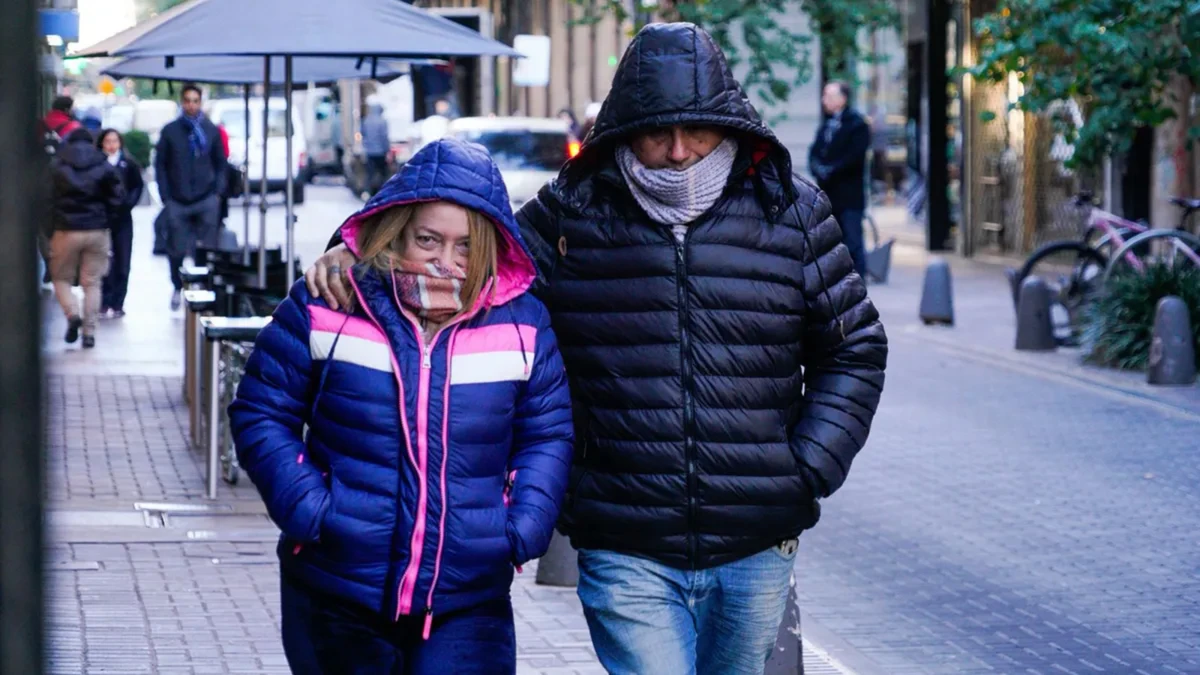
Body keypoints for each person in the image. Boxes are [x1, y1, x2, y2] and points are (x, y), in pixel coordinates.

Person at [306, 23, 887, 675]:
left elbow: (853, 348)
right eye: (656, 131)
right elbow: (451, 251)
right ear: (622, 127)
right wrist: (356, 245)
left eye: (695, 130)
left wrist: (806, 467)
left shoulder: (790, 210)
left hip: (755, 538)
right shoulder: (570, 217)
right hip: (621, 538)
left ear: (728, 124)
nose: (676, 152)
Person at [228, 136, 574, 674]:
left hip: (468, 598)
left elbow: (547, 434)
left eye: (465, 246)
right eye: (428, 240)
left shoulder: (523, 322)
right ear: (396, 231)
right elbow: (260, 410)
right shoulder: (329, 303)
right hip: (337, 589)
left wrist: (521, 526)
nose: (446, 262)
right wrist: (312, 510)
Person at [49, 128, 124, 348]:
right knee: (92, 283)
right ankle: (89, 332)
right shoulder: (103, 166)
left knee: (60, 278)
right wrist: (106, 220)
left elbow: (44, 199)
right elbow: (117, 198)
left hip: (65, 230)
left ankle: (73, 315)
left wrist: (49, 227)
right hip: (96, 230)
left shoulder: (57, 167)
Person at [155, 84, 227, 310]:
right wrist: (165, 195)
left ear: (201, 102)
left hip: (206, 198)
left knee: (207, 248)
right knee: (175, 247)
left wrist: (217, 193)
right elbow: (161, 165)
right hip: (177, 199)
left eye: (195, 100)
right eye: (187, 100)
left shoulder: (210, 129)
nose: (191, 105)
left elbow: (221, 163)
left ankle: (203, 286)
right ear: (182, 102)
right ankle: (178, 286)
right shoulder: (170, 131)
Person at [809, 80, 871, 277]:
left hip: (849, 196)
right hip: (829, 194)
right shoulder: (826, 124)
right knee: (829, 243)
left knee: (853, 242)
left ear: (842, 99)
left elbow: (854, 156)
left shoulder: (857, 124)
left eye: (828, 95)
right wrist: (818, 168)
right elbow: (815, 151)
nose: (823, 100)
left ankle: (858, 284)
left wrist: (831, 170)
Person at [96, 129, 145, 319]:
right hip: (102, 220)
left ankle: (118, 302)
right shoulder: (97, 164)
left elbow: (137, 186)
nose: (111, 145)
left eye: (114, 141)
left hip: (123, 219)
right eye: (107, 141)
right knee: (104, 262)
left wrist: (128, 204)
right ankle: (104, 301)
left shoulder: (128, 164)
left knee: (123, 261)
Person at [41, 95, 83, 284]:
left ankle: (49, 261)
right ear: (68, 109)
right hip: (65, 182)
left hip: (39, 182)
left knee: (43, 227)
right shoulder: (74, 128)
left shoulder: (39, 126)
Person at [361, 101, 391, 197]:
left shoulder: (366, 120)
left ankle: (368, 193)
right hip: (381, 152)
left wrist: (366, 146)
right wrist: (387, 150)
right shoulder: (383, 121)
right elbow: (384, 137)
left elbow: (362, 134)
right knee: (383, 173)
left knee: (370, 174)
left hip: (369, 152)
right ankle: (382, 193)